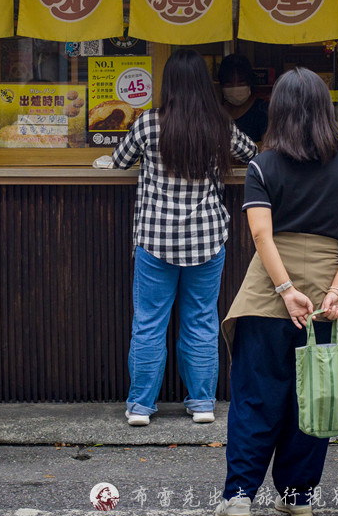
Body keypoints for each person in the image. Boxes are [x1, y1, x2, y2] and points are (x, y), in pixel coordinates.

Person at [216, 67, 338, 516]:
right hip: (328, 295)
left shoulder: (262, 165)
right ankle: (298, 497)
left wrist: (284, 289)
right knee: (317, 391)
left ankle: (240, 497)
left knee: (255, 397)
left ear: (278, 111)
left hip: (267, 292)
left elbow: (262, 235)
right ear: (325, 110)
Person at [112, 49, 257, 426]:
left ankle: (141, 407)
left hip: (155, 241)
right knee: (201, 321)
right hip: (206, 239)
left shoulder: (147, 124)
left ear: (169, 85)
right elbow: (252, 152)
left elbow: (119, 160)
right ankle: (203, 404)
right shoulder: (219, 125)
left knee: (148, 323)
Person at [219, 54, 268, 144]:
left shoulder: (262, 111)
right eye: (229, 84)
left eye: (241, 83)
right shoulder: (217, 113)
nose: (235, 88)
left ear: (250, 82)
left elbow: (268, 147)